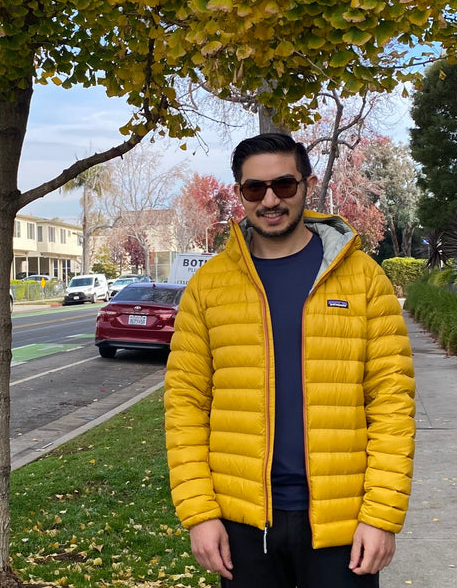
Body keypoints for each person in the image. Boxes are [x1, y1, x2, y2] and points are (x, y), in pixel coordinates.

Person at [164, 132, 415, 587]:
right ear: (240, 193)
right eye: (254, 188)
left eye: (284, 184)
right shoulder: (209, 287)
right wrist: (199, 514)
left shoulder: (363, 279)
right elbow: (185, 405)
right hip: (242, 521)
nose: (270, 199)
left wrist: (381, 515)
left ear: (306, 185)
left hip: (342, 522)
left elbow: (392, 403)